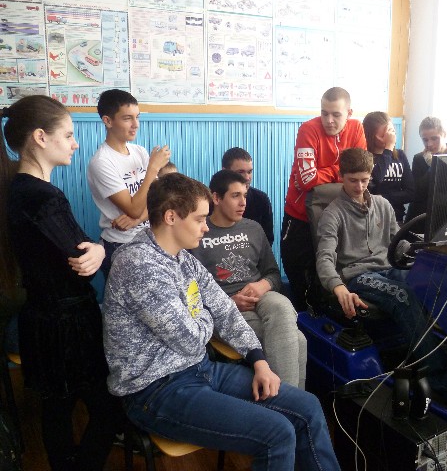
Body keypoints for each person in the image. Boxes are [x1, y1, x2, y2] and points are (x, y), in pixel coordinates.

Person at [102, 172, 339, 471]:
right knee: (277, 433)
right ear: (171, 217)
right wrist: (205, 313)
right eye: (200, 219)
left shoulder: (183, 258)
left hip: (199, 369)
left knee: (308, 406)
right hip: (155, 390)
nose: (206, 227)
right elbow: (189, 339)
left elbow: (225, 311)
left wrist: (259, 361)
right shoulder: (139, 265)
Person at [0, 96, 122, 471]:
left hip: (41, 317)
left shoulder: (18, 189)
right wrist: (100, 249)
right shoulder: (42, 196)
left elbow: (78, 248)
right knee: (107, 411)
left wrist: (96, 248)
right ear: (40, 137)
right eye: (68, 135)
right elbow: (81, 260)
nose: (75, 143)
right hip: (67, 326)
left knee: (57, 408)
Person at [191, 170, 307, 388]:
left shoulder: (253, 228)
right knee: (297, 339)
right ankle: (292, 398)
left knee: (282, 306)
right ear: (216, 198)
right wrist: (228, 303)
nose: (243, 202)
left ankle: (288, 398)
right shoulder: (198, 232)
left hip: (261, 297)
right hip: (225, 309)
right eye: (235, 196)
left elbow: (273, 274)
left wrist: (262, 285)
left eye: (244, 195)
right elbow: (191, 294)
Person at [315, 147, 432, 362]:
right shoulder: (332, 214)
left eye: (364, 180)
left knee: (431, 282)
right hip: (357, 276)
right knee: (402, 294)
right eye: (353, 180)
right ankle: (438, 368)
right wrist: (337, 286)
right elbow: (324, 258)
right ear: (341, 177)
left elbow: (397, 243)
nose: (359, 187)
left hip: (389, 267)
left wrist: (423, 254)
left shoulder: (383, 204)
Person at [281, 87, 366, 311]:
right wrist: (342, 171)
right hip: (300, 217)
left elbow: (360, 171)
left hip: (339, 216)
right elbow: (307, 180)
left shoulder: (357, 128)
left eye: (336, 114)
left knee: (330, 275)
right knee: (300, 277)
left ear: (349, 113)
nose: (329, 120)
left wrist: (325, 172)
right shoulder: (308, 129)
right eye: (324, 113)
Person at [87, 89, 171, 278]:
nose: (136, 125)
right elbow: (133, 209)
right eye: (127, 118)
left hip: (151, 238)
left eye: (137, 117)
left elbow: (160, 200)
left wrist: (138, 220)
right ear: (108, 121)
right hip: (120, 244)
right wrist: (152, 169)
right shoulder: (101, 162)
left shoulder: (139, 151)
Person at [362, 111, 414, 224]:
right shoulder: (364, 157)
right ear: (371, 136)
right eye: (383, 136)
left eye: (391, 132)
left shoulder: (400, 156)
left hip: (396, 217)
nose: (390, 137)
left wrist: (383, 197)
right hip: (372, 218)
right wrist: (389, 148)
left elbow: (411, 193)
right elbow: (375, 180)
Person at [221, 147, 274, 245]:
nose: (247, 178)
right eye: (240, 172)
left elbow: (267, 241)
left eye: (249, 172)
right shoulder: (209, 202)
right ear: (224, 172)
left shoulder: (261, 200)